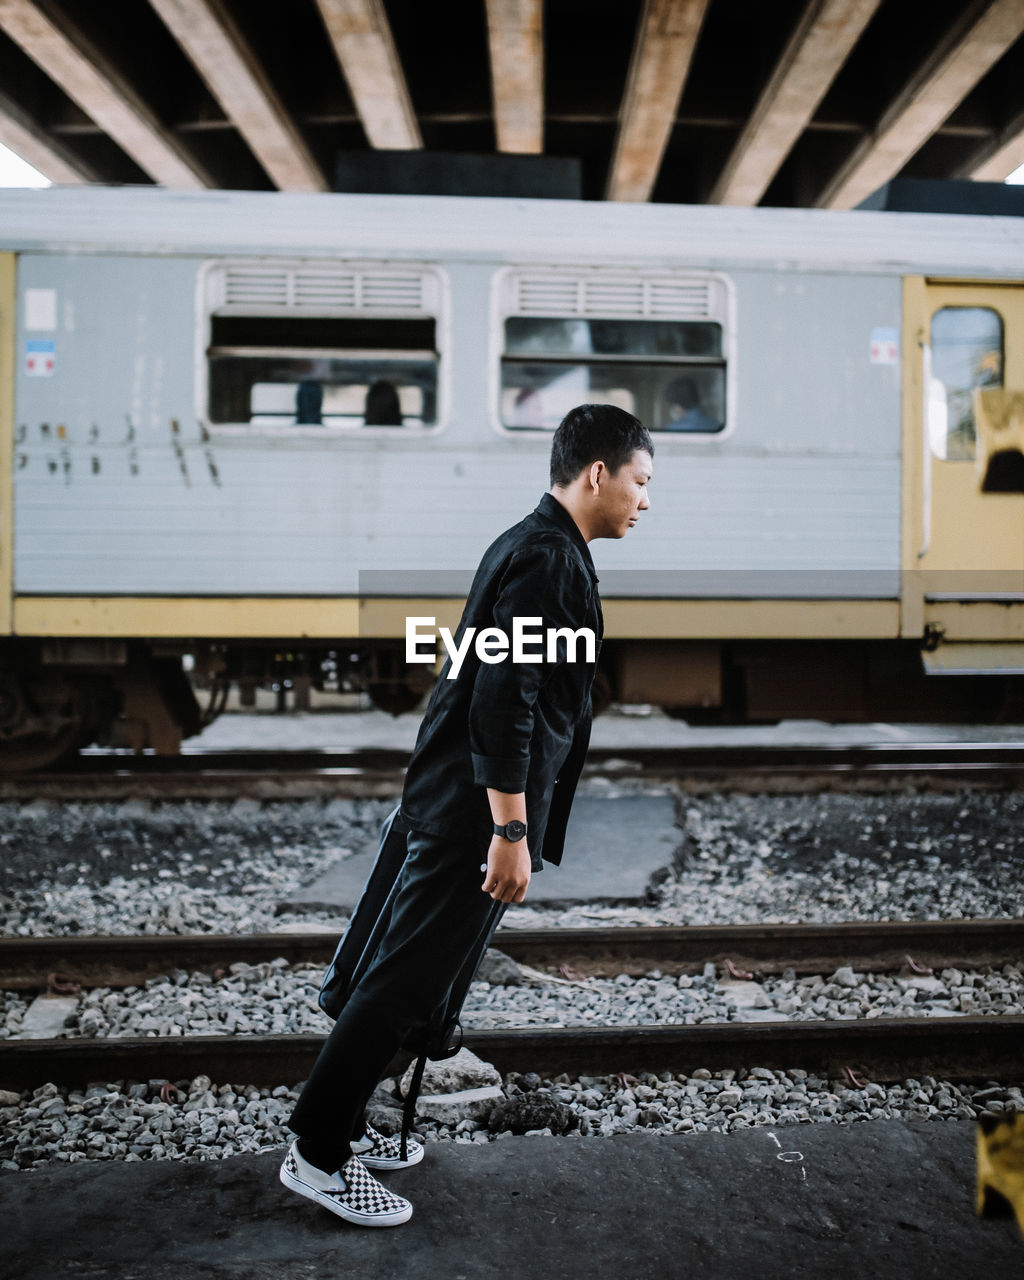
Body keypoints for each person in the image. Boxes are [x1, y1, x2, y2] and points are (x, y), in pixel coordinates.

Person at [280, 402, 654, 1227]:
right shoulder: (550, 560)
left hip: (450, 797)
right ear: (599, 474)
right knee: (403, 983)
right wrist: (510, 829)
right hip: (469, 815)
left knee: (420, 982)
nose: (645, 500)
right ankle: (317, 1154)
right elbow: (504, 699)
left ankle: (344, 1126)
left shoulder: (527, 541)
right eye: (640, 480)